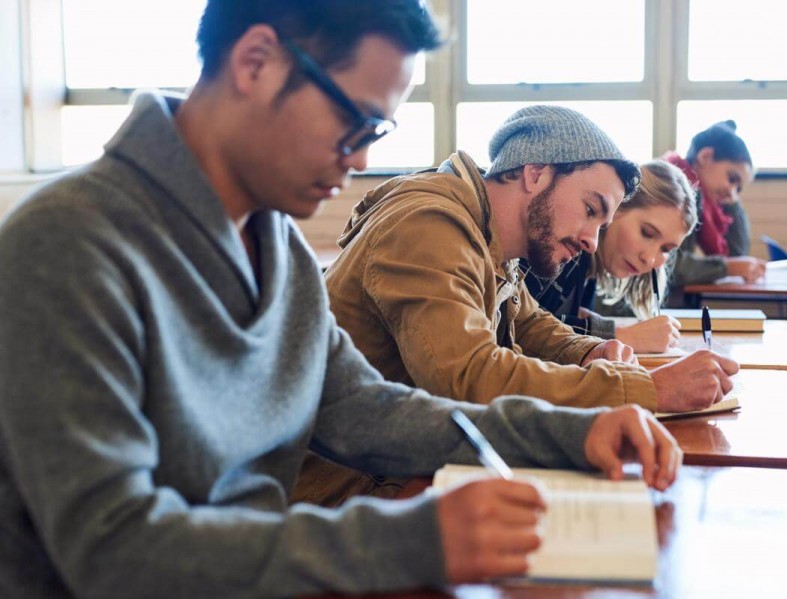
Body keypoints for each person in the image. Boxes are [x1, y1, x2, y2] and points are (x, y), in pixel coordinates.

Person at [0, 2, 684, 596]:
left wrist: (570, 431)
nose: (358, 160)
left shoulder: (278, 246)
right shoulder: (68, 243)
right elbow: (111, 551)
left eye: (374, 133)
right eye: (354, 121)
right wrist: (408, 539)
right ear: (257, 61)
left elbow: (362, 408)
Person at [307, 106, 738, 504]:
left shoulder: (492, 239)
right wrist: (649, 390)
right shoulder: (429, 224)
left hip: (406, 467)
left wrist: (592, 350)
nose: (592, 240)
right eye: (590, 209)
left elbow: (532, 325)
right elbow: (467, 376)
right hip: (350, 490)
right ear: (535, 173)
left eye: (601, 223)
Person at [524, 160, 698, 354]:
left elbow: (550, 319)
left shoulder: (589, 271)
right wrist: (623, 336)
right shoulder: (567, 247)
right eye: (647, 233)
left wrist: (596, 325)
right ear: (617, 207)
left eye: (666, 249)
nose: (649, 259)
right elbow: (518, 329)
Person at [664, 120, 766, 289]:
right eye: (732, 178)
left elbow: (737, 256)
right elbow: (669, 265)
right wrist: (726, 267)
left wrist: (733, 203)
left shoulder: (702, 199)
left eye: (738, 188)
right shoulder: (673, 188)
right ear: (705, 156)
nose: (731, 191)